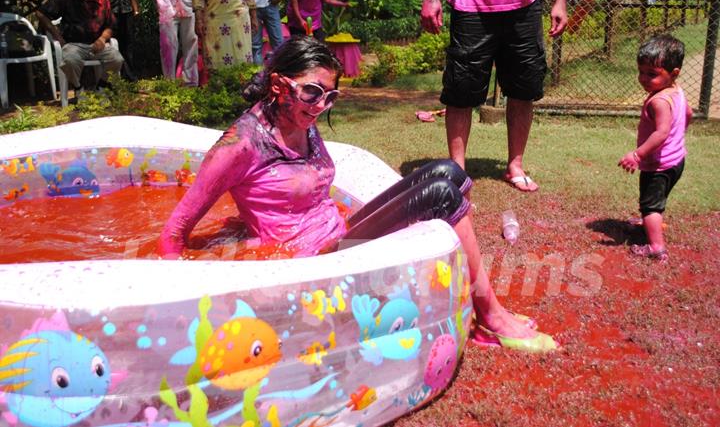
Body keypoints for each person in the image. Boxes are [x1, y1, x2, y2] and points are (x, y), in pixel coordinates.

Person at [158, 36, 557, 353]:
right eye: (313, 92)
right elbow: (174, 233)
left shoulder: (299, 117)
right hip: (312, 263)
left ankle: (479, 304)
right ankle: (491, 314)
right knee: (439, 195)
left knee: (446, 172)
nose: (321, 106)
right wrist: (187, 310)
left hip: (340, 239)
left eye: (330, 96)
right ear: (279, 84)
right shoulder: (240, 145)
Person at [421, 0, 568, 192]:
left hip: (525, 6)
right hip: (470, 7)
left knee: (524, 88)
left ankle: (515, 165)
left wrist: (560, 0)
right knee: (460, 90)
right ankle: (457, 170)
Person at [618, 35, 692, 262]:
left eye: (652, 74)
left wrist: (637, 154)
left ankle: (656, 247)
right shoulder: (677, 91)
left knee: (650, 205)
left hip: (658, 166)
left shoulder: (658, 101)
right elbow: (687, 113)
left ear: (674, 73)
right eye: (641, 71)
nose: (644, 78)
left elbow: (661, 133)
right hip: (676, 161)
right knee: (657, 198)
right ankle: (648, 222)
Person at [36, 0, 124, 92]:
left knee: (117, 59)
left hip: (97, 45)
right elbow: (40, 13)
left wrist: (102, 39)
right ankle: (78, 88)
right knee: (70, 61)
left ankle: (102, 86)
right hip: (74, 45)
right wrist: (58, 36)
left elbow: (111, 25)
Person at [126, 0, 206, 86]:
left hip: (190, 4)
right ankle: (170, 86)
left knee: (191, 46)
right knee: (168, 48)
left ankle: (191, 84)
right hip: (166, 6)